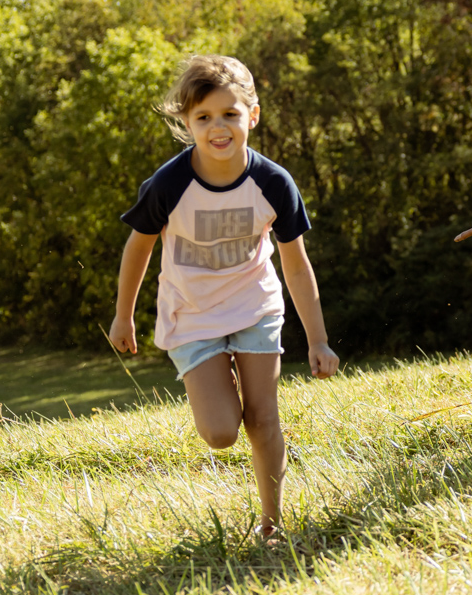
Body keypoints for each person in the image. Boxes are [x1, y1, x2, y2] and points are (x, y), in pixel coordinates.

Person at [107, 54, 338, 541]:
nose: (218, 128)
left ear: (252, 116)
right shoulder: (170, 184)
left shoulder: (274, 182)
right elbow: (138, 246)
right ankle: (220, 380)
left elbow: (295, 263)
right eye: (203, 117)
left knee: (264, 416)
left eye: (230, 115)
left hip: (254, 306)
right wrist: (122, 316)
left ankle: (271, 523)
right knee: (221, 433)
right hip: (190, 313)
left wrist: (318, 341)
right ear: (187, 122)